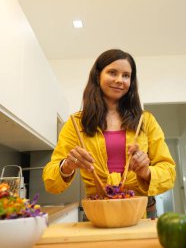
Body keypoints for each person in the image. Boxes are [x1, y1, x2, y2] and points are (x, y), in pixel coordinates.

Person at [42, 49, 176, 218]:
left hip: (141, 211)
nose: (120, 80)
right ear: (97, 75)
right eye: (112, 72)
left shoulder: (146, 121)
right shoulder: (76, 123)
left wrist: (146, 172)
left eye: (126, 75)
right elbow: (50, 182)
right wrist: (67, 165)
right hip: (98, 210)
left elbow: (169, 173)